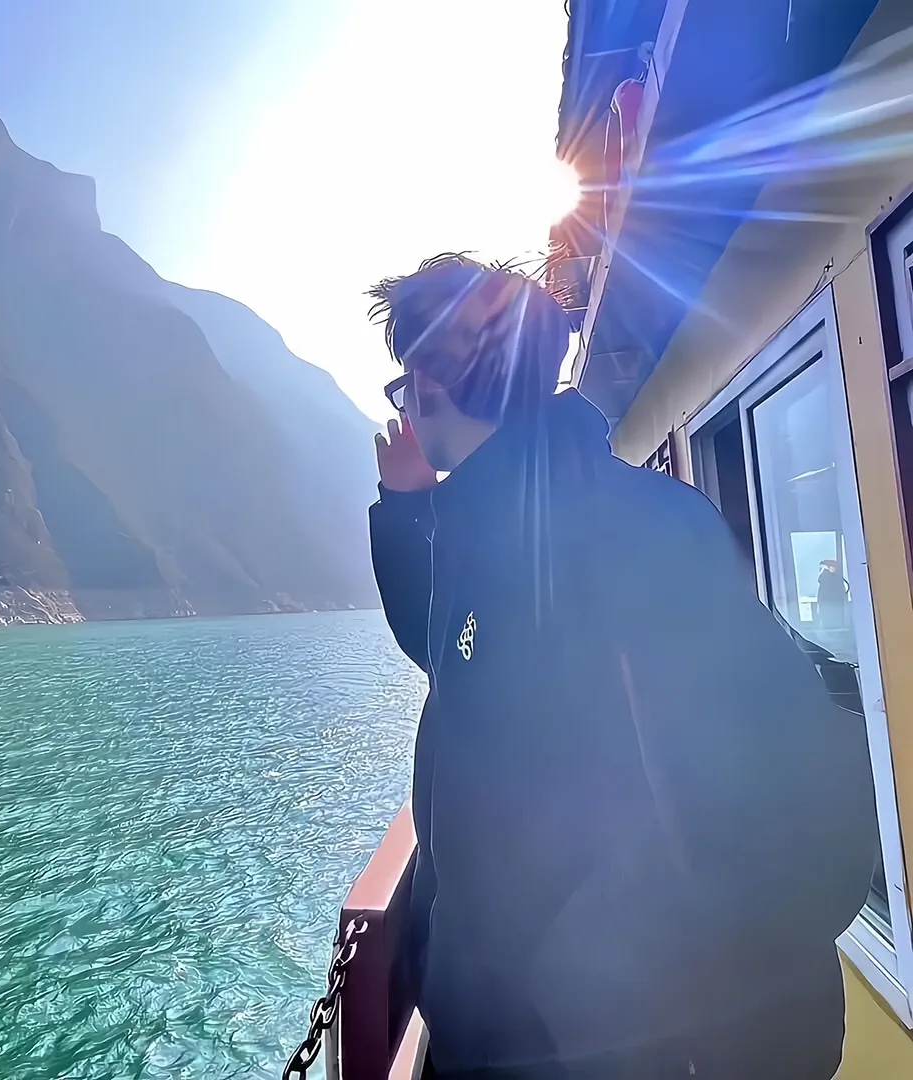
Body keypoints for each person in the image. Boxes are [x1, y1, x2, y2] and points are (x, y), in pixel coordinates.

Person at [366, 254, 877, 1079]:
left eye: (405, 385)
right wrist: (405, 509)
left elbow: (732, 799)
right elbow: (449, 649)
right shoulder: (532, 523)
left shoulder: (581, 535)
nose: (406, 406)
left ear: (428, 381)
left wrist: (571, 1002)